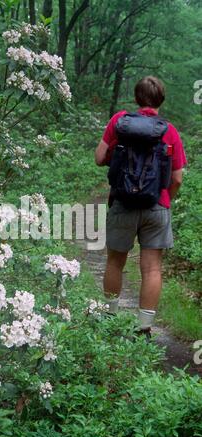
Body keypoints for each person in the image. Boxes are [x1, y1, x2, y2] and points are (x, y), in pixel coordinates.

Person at [95, 76, 187, 335]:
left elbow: (99, 157)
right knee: (152, 267)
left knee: (115, 262)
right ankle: (144, 328)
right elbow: (177, 176)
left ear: (137, 98)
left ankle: (109, 316)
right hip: (156, 206)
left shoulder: (119, 122)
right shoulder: (169, 131)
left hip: (122, 201)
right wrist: (166, 197)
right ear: (161, 99)